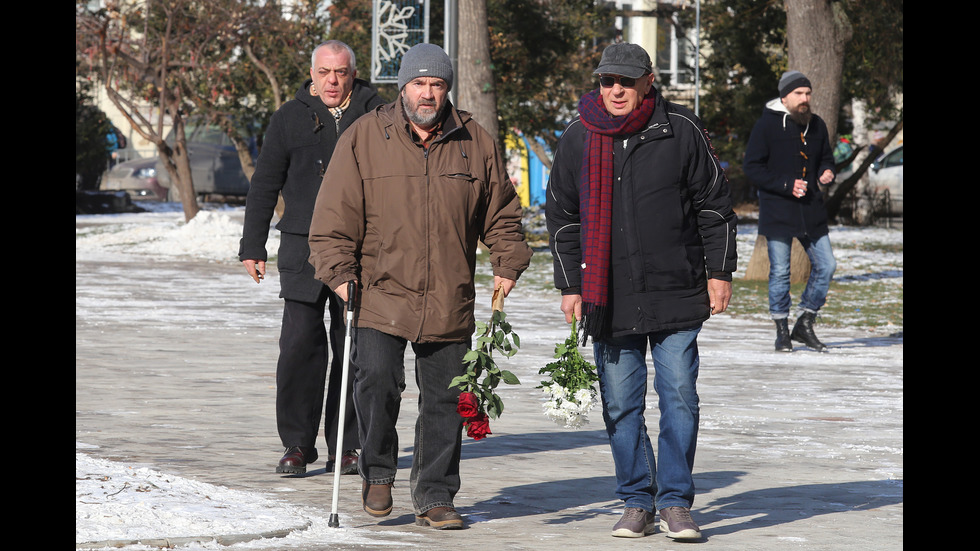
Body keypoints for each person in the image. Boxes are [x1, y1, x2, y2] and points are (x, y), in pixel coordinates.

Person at [307, 43, 532, 530]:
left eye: (437, 84)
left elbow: (502, 214)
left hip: (449, 292)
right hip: (377, 290)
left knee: (446, 399)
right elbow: (332, 219)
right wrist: (339, 273)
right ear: (402, 87)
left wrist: (508, 262)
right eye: (419, 83)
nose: (427, 93)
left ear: (447, 88)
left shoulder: (476, 141)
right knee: (376, 384)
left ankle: (435, 495)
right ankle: (379, 470)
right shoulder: (366, 137)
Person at [546, 43, 737, 541]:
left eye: (626, 82)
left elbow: (714, 206)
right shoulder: (577, 137)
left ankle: (675, 501)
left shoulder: (681, 130)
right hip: (607, 295)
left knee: (679, 396)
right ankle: (636, 500)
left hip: (676, 289)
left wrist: (719, 272)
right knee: (621, 404)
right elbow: (563, 217)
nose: (615, 90)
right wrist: (570, 283)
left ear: (648, 82)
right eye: (607, 80)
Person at [239, 40, 385, 475]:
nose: (333, 80)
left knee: (355, 347)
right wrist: (252, 245)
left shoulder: (378, 115)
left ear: (353, 74)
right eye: (324, 72)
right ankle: (297, 445)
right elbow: (265, 183)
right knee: (300, 346)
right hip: (301, 248)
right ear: (312, 74)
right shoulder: (288, 116)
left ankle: (350, 445)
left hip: (360, 249)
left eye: (340, 72)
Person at [743, 70, 837, 353]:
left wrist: (826, 172)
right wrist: (785, 184)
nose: (805, 99)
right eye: (799, 94)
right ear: (784, 97)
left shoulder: (817, 124)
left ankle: (805, 321)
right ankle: (782, 331)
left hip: (811, 211)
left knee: (827, 265)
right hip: (778, 212)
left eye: (807, 94)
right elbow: (752, 167)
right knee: (781, 273)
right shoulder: (766, 126)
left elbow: (826, 159)